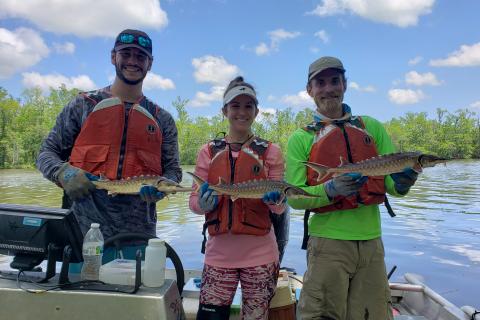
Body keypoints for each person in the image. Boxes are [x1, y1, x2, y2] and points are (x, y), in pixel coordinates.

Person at [285, 56, 418, 320]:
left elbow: (391, 184)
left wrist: (405, 182)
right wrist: (330, 190)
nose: (328, 88)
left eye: (334, 81)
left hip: (371, 243)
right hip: (326, 244)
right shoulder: (301, 138)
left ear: (345, 84)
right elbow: (294, 198)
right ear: (309, 90)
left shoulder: (372, 127)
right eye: (320, 83)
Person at [36, 29, 181, 261]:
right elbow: (45, 154)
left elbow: (173, 170)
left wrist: (161, 190)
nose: (133, 61)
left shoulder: (162, 119)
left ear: (150, 64)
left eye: (140, 56)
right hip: (81, 233)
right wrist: (63, 172)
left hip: (139, 238)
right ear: (113, 57)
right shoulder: (83, 105)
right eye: (127, 54)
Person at [189, 76, 286, 320]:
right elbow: (193, 204)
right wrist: (203, 202)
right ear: (224, 110)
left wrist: (276, 201)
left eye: (248, 106)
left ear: (256, 111)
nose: (242, 112)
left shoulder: (271, 151)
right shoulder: (208, 151)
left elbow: (280, 210)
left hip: (261, 256)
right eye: (235, 106)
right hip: (218, 256)